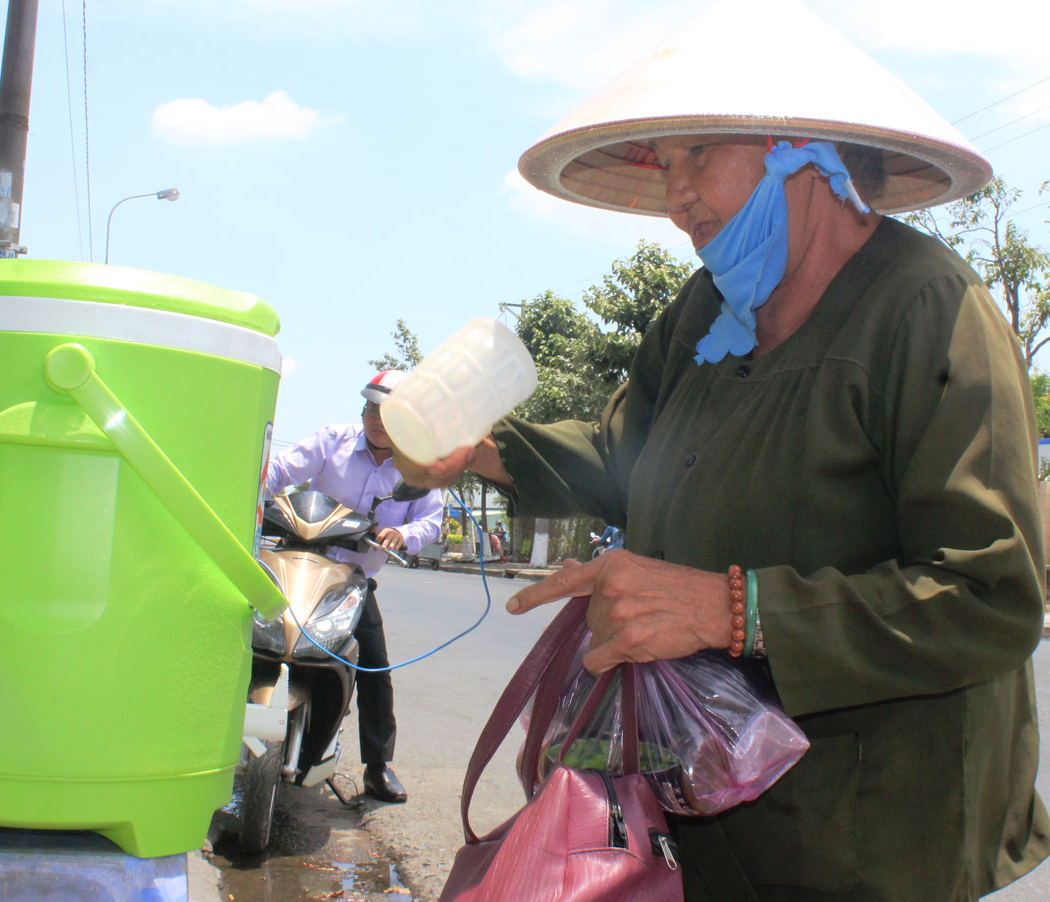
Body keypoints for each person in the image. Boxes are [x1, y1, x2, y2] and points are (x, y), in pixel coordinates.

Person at [395, 1, 1050, 898]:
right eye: (665, 165)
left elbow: (989, 598)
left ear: (801, 148)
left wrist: (729, 611)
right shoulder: (701, 314)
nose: (676, 199)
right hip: (695, 818)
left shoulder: (932, 314)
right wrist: (468, 449)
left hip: (868, 838)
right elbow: (626, 456)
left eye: (699, 154)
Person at [262, 369, 443, 803]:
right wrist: (251, 497)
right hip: (298, 564)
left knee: (375, 667)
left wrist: (405, 535)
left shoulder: (417, 467)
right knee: (245, 632)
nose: (375, 419)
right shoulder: (332, 441)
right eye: (370, 408)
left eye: (387, 412)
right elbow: (279, 472)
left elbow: (432, 520)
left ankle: (378, 767)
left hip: (351, 584)